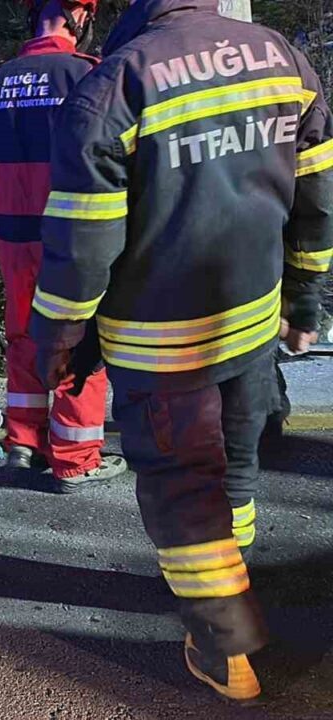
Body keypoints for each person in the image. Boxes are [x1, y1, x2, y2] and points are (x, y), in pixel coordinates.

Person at [32, 0, 331, 701]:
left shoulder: (114, 85)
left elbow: (83, 242)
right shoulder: (280, 57)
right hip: (251, 322)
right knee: (237, 460)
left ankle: (225, 649)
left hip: (162, 343)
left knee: (181, 485)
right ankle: (237, 573)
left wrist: (61, 339)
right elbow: (317, 195)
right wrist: (305, 300)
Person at [0, 0, 128, 492]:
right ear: (81, 17)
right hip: (72, 237)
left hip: (13, 239)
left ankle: (24, 443)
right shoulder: (90, 74)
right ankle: (77, 458)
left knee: (24, 334)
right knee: (77, 340)